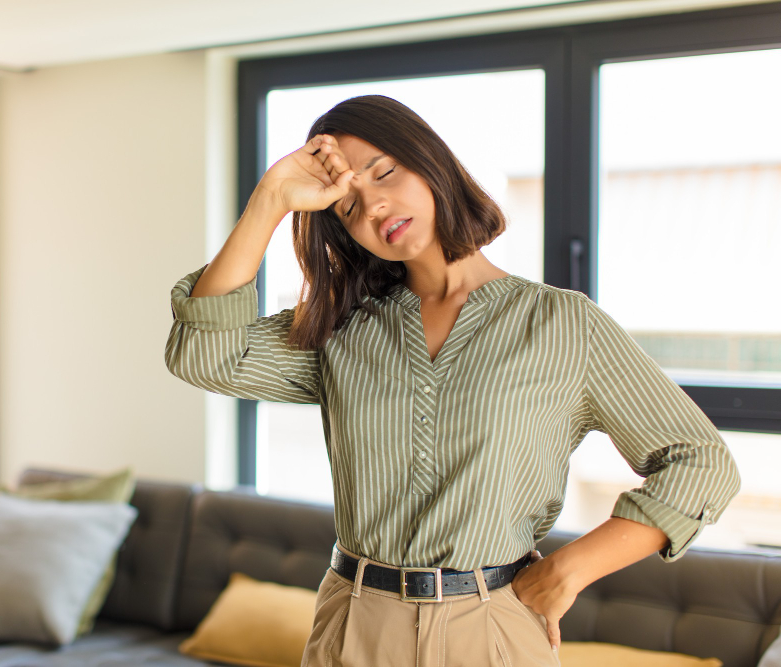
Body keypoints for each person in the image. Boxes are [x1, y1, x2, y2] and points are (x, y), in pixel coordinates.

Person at [164, 95, 740, 666]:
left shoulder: (562, 324)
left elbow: (700, 460)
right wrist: (271, 199)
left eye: (385, 171)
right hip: (355, 627)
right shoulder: (343, 328)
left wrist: (571, 568)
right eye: (347, 206)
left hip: (494, 625)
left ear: (431, 162)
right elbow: (206, 354)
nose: (373, 205)